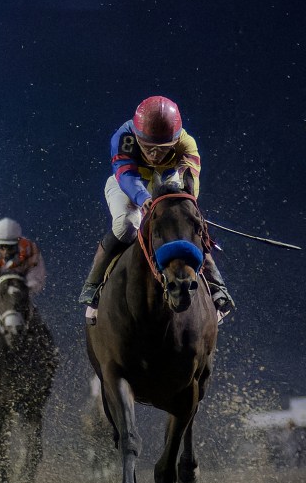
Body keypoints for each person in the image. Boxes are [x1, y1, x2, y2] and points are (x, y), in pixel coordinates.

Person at [77, 95, 234, 320]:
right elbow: (125, 174)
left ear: (175, 141)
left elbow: (190, 184)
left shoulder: (187, 144)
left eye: (162, 149)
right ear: (137, 137)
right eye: (148, 148)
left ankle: (217, 287)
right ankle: (93, 284)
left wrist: (184, 209)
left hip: (167, 184)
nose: (154, 155)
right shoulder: (123, 137)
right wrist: (143, 199)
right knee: (127, 225)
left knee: (186, 225)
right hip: (127, 185)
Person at [0, 217, 47, 295]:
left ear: (18, 242)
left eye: (10, 247)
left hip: (20, 287)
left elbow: (37, 277)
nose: (5, 251)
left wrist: (25, 289)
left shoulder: (30, 250)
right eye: (2, 246)